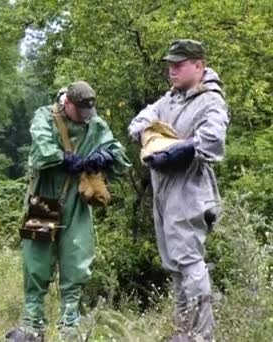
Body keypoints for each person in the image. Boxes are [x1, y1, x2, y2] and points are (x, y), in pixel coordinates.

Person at [6, 82, 131, 341]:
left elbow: (120, 156)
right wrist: (65, 159)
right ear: (67, 104)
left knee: (76, 263)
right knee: (36, 263)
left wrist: (105, 157)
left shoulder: (94, 124)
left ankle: (70, 327)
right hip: (44, 197)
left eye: (89, 111)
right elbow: (42, 149)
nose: (86, 117)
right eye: (81, 111)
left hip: (77, 202)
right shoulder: (45, 116)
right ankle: (32, 325)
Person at [128, 39, 229, 341]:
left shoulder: (210, 100)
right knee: (175, 266)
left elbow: (212, 140)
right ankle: (184, 331)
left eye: (179, 65)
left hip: (191, 190)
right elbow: (137, 123)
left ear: (198, 66)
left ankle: (201, 335)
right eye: (170, 65)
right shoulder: (170, 99)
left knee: (189, 261)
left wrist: (180, 149)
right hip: (165, 192)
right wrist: (152, 138)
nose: (172, 70)